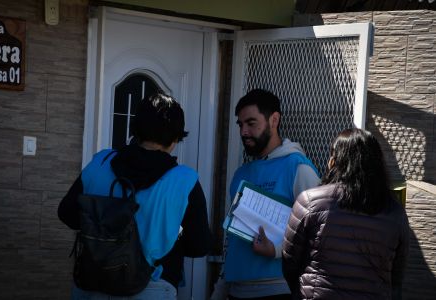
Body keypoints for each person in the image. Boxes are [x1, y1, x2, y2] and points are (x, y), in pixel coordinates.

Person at [58, 92, 212, 299]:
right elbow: (198, 246)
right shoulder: (185, 180)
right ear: (176, 138)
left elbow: (66, 214)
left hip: (92, 283)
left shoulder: (101, 162)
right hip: (152, 286)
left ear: (136, 129)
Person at [282, 128, 410, 299]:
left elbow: (289, 263)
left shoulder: (310, 201)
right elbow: (396, 276)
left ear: (335, 161)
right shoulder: (395, 213)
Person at [223, 89, 320, 300]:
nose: (244, 132)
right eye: (240, 125)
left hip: (278, 289)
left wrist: (276, 251)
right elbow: (233, 238)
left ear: (274, 120)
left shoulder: (298, 167)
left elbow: (317, 232)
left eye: (251, 123)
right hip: (235, 289)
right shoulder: (241, 174)